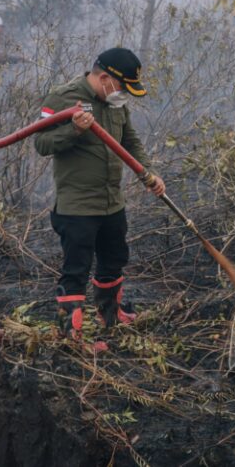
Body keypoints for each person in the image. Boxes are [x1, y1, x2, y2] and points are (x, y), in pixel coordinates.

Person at [34, 48, 166, 342]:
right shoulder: (62, 98)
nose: (124, 95)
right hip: (77, 206)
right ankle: (71, 333)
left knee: (115, 258)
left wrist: (149, 172)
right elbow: (41, 144)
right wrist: (74, 131)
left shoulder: (115, 104)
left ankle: (111, 315)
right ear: (105, 78)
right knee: (76, 268)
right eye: (122, 88)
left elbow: (130, 139)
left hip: (111, 203)